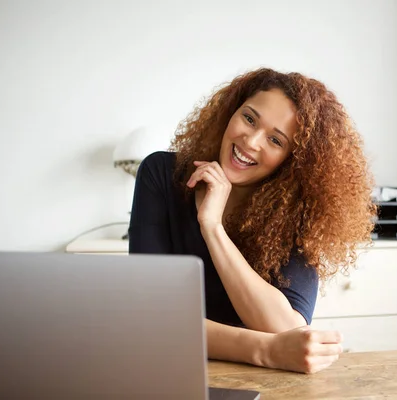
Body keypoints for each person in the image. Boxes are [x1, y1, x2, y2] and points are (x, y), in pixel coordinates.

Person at [128, 68, 376, 374]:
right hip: (168, 369)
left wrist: (213, 228)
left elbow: (286, 327)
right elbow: (152, 317)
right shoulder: (162, 174)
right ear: (230, 112)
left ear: (293, 161)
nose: (251, 141)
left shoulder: (298, 212)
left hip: (259, 382)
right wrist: (264, 350)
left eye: (275, 139)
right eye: (249, 118)